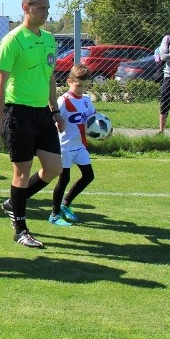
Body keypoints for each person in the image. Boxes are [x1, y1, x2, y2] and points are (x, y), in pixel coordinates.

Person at [0, 0, 63, 249]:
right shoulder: (12, 40)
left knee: (54, 167)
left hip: (42, 114)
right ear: (26, 8)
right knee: (21, 172)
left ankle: (13, 202)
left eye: (47, 8)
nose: (45, 13)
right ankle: (20, 228)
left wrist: (55, 110)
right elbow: (0, 84)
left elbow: (50, 77)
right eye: (40, 8)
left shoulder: (49, 39)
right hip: (17, 112)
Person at [50, 64, 96, 225]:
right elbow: (52, 117)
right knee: (64, 179)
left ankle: (65, 204)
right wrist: (56, 123)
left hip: (80, 145)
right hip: (65, 146)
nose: (82, 89)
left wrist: (103, 130)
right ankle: (54, 214)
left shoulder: (86, 101)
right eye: (78, 85)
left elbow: (93, 121)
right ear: (69, 81)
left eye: (85, 86)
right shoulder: (63, 101)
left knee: (88, 175)